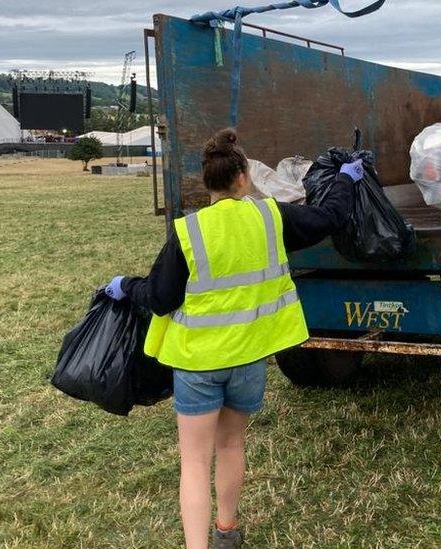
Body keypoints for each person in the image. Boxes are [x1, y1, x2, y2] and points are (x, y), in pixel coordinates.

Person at [104, 128, 358, 549]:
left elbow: (160, 298)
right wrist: (346, 180)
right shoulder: (270, 216)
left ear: (208, 184)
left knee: (195, 461)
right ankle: (226, 530)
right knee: (232, 444)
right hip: (248, 361)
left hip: (198, 365)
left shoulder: (189, 233)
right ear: (244, 178)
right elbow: (327, 219)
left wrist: (125, 286)